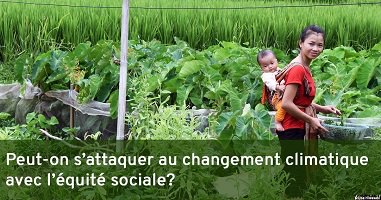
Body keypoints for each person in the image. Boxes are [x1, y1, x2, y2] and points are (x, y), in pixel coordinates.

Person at [277, 25, 341, 198]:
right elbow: (287, 104)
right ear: (300, 43)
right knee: (295, 176)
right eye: (311, 43)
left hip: (296, 126)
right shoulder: (298, 68)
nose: (316, 49)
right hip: (292, 128)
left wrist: (322, 109)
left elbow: (301, 101)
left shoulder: (304, 66)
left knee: (297, 173)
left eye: (320, 45)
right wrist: (311, 120)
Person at [257, 50, 286, 131]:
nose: (270, 67)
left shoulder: (280, 70)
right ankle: (277, 121)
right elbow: (270, 83)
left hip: (285, 94)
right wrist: (278, 87)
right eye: (265, 66)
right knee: (284, 106)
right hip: (276, 98)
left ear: (276, 61)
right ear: (261, 68)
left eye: (272, 63)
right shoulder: (266, 75)